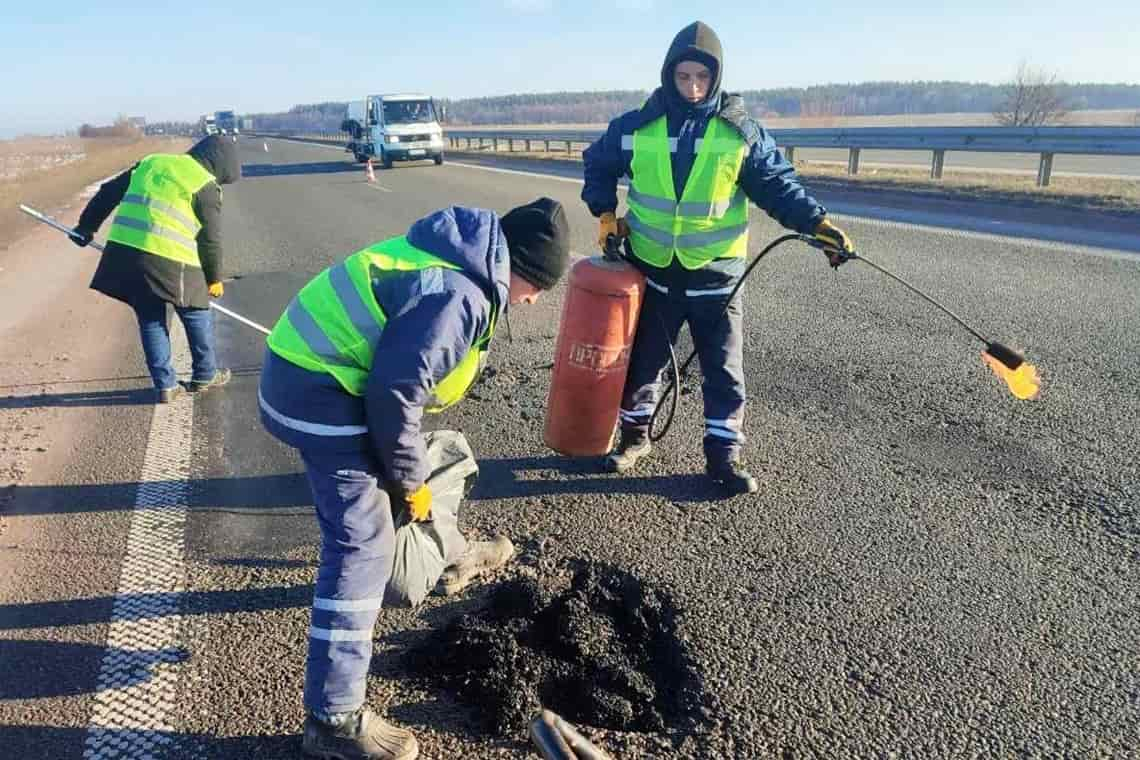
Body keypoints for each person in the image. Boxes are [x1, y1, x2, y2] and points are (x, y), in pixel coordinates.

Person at [258, 198, 570, 760]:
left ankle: (449, 554)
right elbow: (395, 393)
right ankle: (333, 720)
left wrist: (408, 478)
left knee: (421, 468)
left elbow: (400, 382)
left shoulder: (455, 259)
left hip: (321, 379)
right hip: (318, 394)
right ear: (519, 268)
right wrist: (406, 483)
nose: (535, 300)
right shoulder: (460, 294)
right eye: (539, 287)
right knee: (361, 547)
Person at [582, 21, 856, 496]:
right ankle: (633, 438)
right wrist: (605, 212)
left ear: (716, 78)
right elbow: (598, 163)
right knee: (643, 362)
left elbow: (778, 187)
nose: (691, 87)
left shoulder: (740, 134)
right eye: (683, 76)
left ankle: (722, 457)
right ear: (669, 75)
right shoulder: (636, 127)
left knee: (722, 371)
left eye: (701, 78)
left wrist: (816, 223)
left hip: (717, 278)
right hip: (653, 273)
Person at [72, 134, 238, 402]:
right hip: (171, 258)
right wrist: (213, 278)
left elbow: (107, 192)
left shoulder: (151, 162)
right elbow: (210, 240)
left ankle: (165, 385)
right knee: (195, 311)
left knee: (150, 318)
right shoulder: (204, 185)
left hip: (126, 255)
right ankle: (205, 375)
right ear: (220, 165)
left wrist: (86, 227)